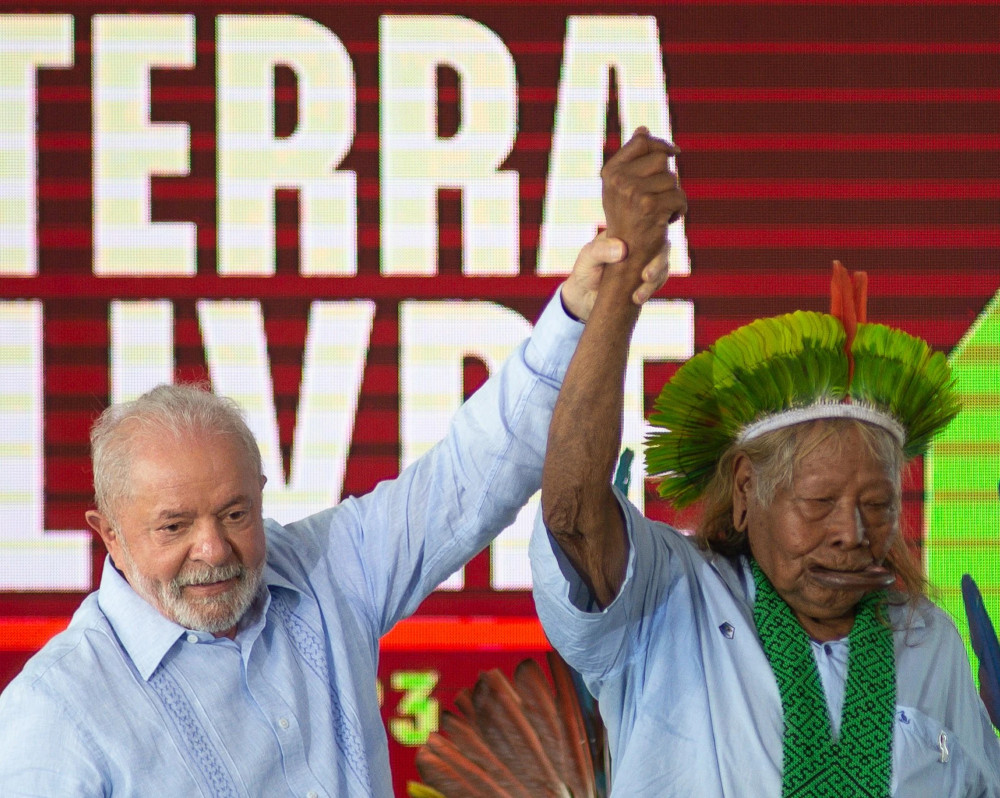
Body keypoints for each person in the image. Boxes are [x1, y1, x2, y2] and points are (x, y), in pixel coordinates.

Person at [0, 229, 675, 796]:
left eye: (236, 513)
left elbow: (469, 479)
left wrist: (577, 316)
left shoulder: (325, 572)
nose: (214, 550)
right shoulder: (56, 712)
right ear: (109, 536)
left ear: (263, 491)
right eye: (174, 526)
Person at [531, 131, 1000, 795]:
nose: (852, 532)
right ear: (747, 493)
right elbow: (574, 515)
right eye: (819, 503)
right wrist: (621, 283)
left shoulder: (929, 640)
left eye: (877, 504)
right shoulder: (672, 600)